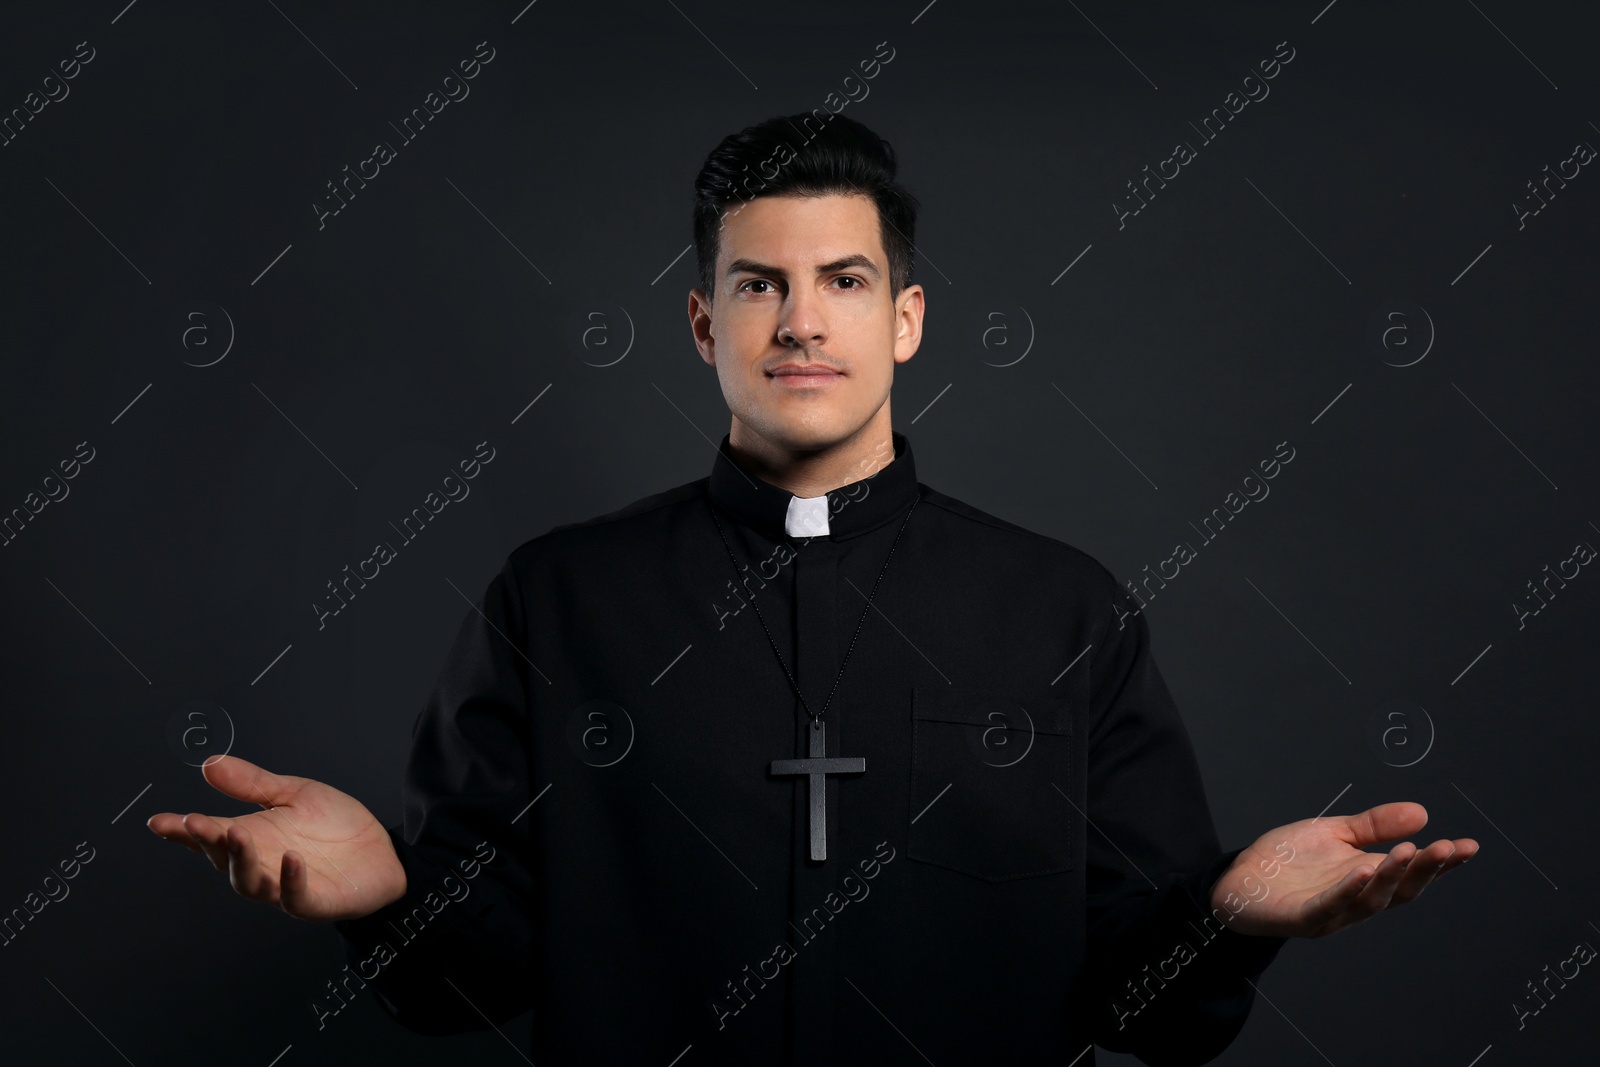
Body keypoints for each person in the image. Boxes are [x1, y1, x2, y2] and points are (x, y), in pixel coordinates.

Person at [147, 112, 1478, 1065]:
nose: (800, 321)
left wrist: (1230, 920)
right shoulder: (557, 600)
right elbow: (472, 981)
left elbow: (1143, 1001)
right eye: (759, 285)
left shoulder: (1061, 609)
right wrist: (387, 892)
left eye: (843, 282)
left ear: (903, 318)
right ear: (703, 322)